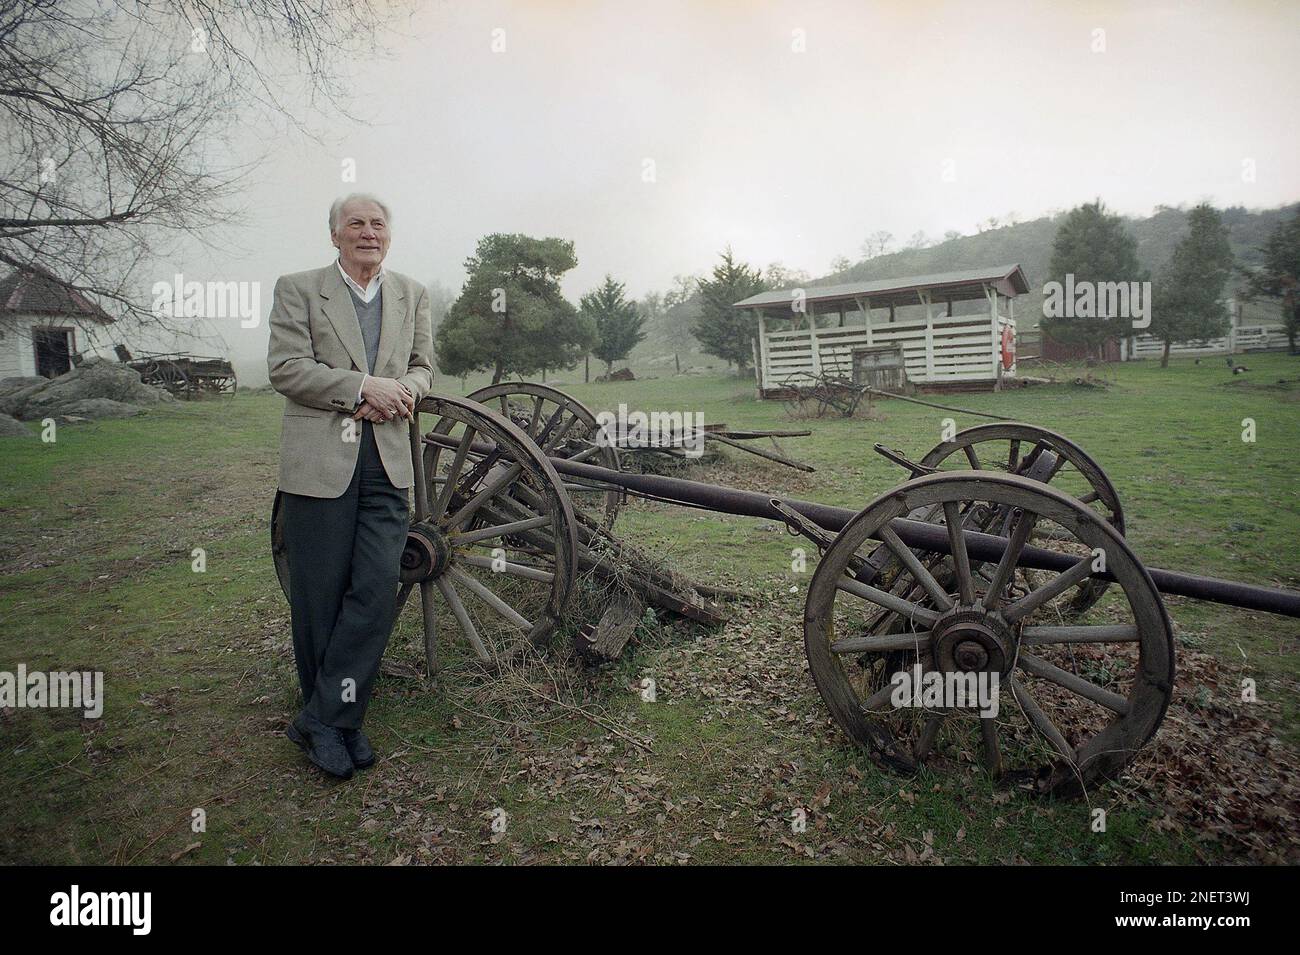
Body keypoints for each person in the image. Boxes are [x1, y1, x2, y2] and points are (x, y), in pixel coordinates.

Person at [267, 193, 434, 778]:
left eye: (378, 224)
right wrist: (363, 387)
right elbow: (286, 368)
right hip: (320, 462)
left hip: (387, 460)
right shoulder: (298, 287)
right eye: (356, 224)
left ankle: (322, 718)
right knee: (320, 595)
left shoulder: (411, 293)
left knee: (375, 590)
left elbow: (422, 364)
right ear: (334, 235)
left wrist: (404, 390)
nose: (369, 232)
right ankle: (339, 724)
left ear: (390, 235)